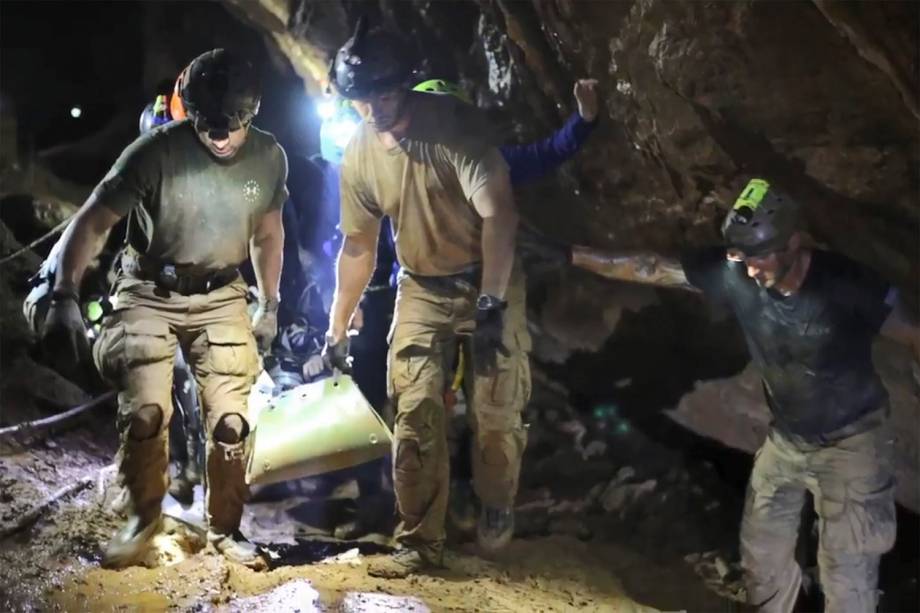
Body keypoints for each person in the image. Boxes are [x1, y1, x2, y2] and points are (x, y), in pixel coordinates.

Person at [523, 177, 918, 612]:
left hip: (854, 443)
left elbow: (914, 334)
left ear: (793, 244)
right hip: (787, 442)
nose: (750, 270)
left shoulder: (846, 285)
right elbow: (651, 267)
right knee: (762, 560)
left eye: (758, 257)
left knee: (847, 572)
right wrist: (569, 253)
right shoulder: (739, 275)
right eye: (741, 257)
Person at [41, 48, 287, 570]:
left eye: (231, 126)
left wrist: (270, 301)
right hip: (149, 288)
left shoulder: (268, 158)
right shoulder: (153, 152)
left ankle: (226, 529)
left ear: (253, 112)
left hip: (221, 291)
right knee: (149, 409)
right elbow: (94, 221)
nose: (219, 136)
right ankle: (142, 519)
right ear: (189, 111)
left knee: (230, 421)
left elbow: (268, 233)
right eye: (208, 125)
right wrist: (64, 292)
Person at [323, 19, 530, 577]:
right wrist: (337, 326)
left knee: (495, 415)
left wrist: (490, 302)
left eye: (384, 95)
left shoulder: (455, 131)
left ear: (408, 85)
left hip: (489, 276)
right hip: (421, 285)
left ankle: (494, 502)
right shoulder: (360, 155)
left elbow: (499, 215)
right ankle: (419, 540)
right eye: (362, 100)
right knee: (413, 413)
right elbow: (359, 246)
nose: (374, 110)